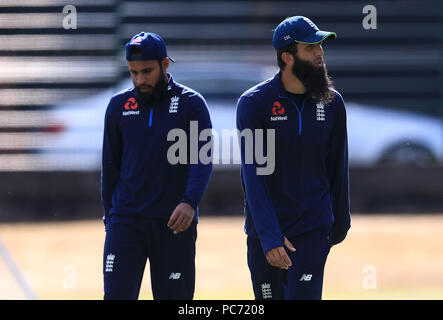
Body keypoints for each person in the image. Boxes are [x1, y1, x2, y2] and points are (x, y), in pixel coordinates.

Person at [236, 16, 351, 300]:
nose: (320, 53)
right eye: (310, 47)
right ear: (287, 57)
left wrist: (338, 225)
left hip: (313, 230)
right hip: (265, 235)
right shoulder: (254, 104)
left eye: (320, 46)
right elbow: (253, 176)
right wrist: (269, 235)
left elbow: (338, 167)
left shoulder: (333, 103)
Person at [101, 32, 213, 299]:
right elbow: (110, 167)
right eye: (134, 72)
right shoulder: (118, 107)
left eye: (147, 71)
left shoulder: (192, 105)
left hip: (174, 225)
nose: (140, 80)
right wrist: (111, 219)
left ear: (165, 65)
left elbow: (203, 159)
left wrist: (190, 202)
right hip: (125, 224)